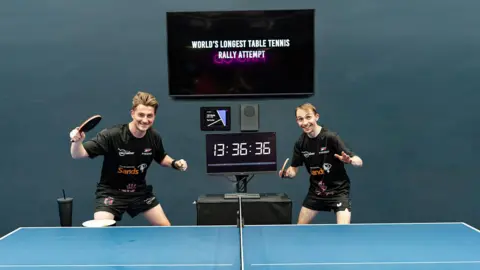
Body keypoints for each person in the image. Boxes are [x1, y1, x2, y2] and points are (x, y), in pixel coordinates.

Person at [69, 91, 188, 226]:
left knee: (166, 229)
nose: (145, 120)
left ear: (154, 116)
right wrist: (77, 142)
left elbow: (161, 157)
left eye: (150, 116)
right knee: (101, 231)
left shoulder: (154, 137)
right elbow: (78, 154)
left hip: (139, 192)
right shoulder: (112, 135)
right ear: (132, 113)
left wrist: (174, 163)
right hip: (111, 193)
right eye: (141, 115)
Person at [279, 103, 363, 224]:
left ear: (316, 117)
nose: (305, 122)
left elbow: (359, 162)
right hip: (316, 192)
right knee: (299, 230)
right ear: (297, 121)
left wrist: (350, 160)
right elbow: (293, 171)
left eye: (308, 117)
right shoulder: (300, 143)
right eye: (300, 119)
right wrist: (287, 174)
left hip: (338, 191)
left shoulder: (331, 137)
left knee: (344, 232)